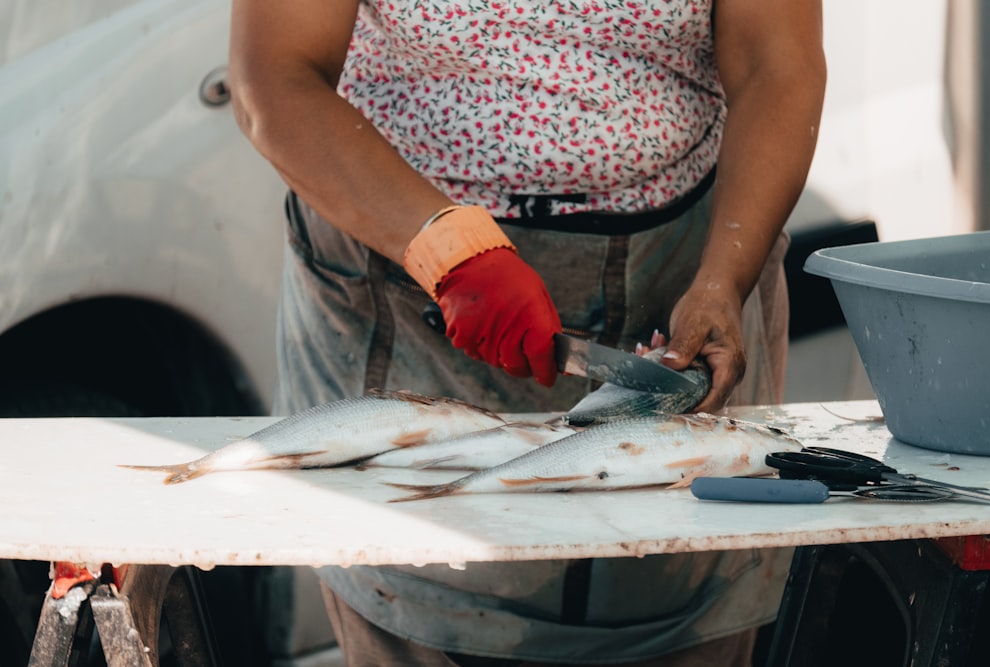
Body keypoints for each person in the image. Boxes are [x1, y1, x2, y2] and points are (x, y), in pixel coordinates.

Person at [229, 0, 825, 664]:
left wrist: (723, 278)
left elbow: (779, 62)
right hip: (402, 276)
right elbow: (276, 78)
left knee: (677, 589)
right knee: (420, 583)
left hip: (683, 270)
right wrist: (446, 249)